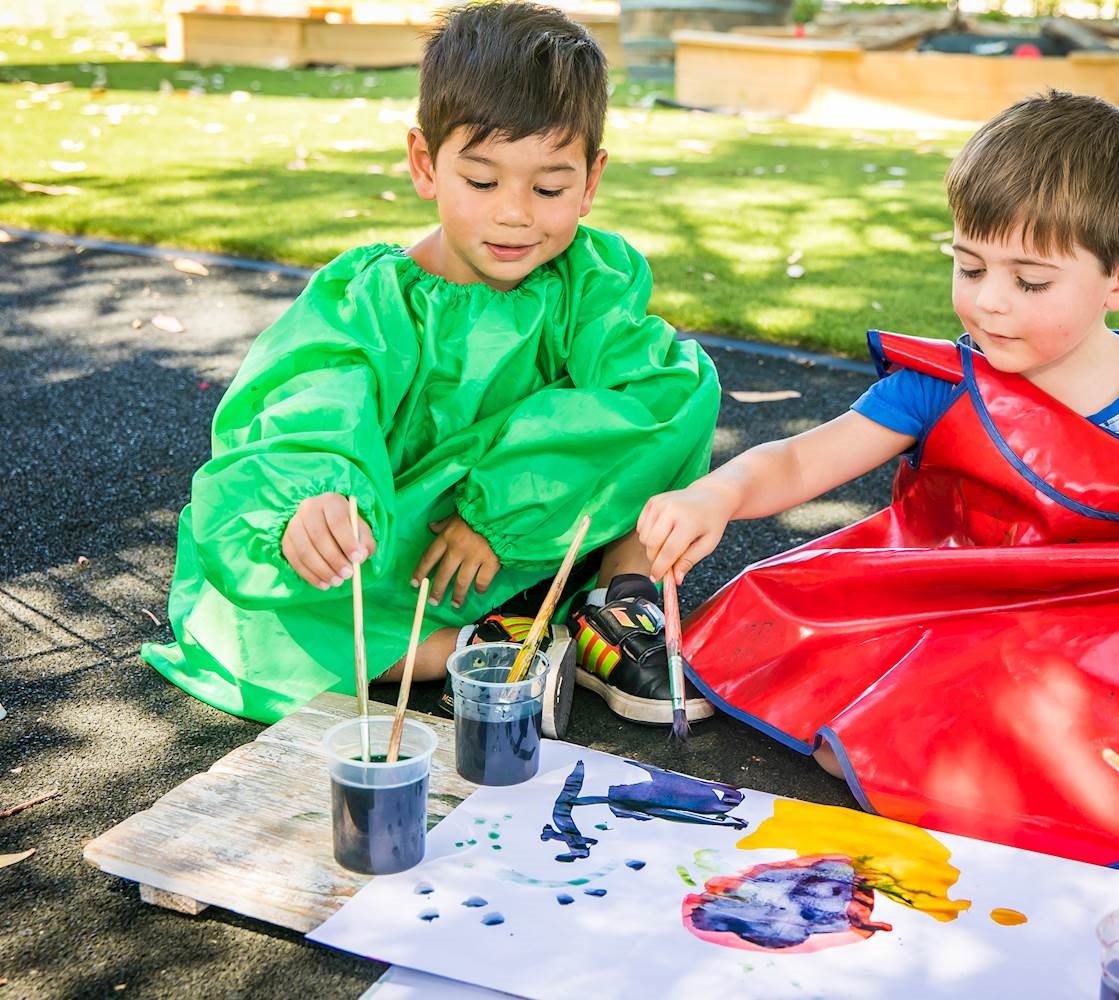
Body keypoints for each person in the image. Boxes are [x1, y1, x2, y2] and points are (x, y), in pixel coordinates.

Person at [638, 90, 1119, 865]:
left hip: (1102, 637)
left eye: (1031, 281)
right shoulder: (949, 379)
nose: (989, 302)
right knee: (785, 619)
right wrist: (717, 492)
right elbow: (805, 456)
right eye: (969, 265)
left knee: (1050, 738)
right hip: (947, 594)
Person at [142, 1, 719, 728]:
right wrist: (315, 496)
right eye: (482, 182)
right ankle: (479, 647)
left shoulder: (591, 282)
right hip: (412, 556)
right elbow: (317, 392)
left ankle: (620, 606)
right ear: (426, 164)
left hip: (542, 530)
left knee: (681, 386)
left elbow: (658, 400)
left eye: (548, 189)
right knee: (252, 617)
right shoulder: (374, 297)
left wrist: (499, 517)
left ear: (591, 180)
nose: (514, 215)